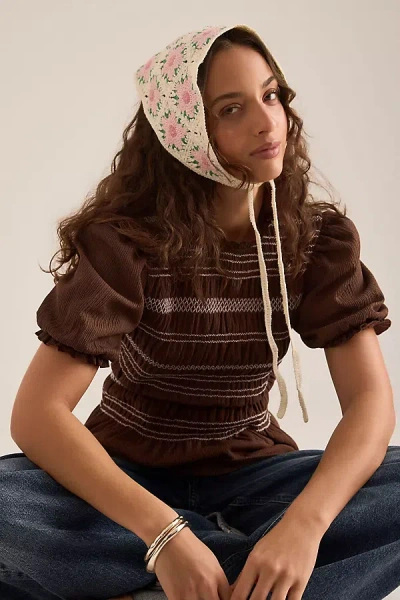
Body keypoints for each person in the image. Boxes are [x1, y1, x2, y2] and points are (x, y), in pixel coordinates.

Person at [0, 23, 398, 600]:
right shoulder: (125, 243)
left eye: (271, 95)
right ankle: (234, 574)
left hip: (257, 481)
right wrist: (164, 535)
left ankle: (163, 583)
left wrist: (303, 530)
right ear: (185, 132)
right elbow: (37, 414)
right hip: (127, 483)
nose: (267, 122)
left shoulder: (317, 239)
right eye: (231, 109)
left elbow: (370, 403)